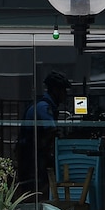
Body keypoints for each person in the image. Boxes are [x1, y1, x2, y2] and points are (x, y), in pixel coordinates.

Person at [16, 70, 71, 199]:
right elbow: (51, 131)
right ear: (56, 90)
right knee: (39, 187)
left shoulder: (45, 105)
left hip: (34, 153)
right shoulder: (43, 107)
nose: (65, 94)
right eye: (63, 90)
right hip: (32, 155)